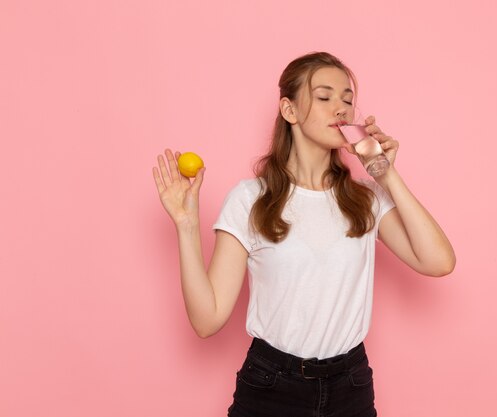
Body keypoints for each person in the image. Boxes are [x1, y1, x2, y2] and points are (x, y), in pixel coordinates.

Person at [152, 51, 455, 417]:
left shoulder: (365, 198)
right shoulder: (251, 199)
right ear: (289, 110)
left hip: (351, 386)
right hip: (271, 386)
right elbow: (207, 320)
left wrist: (385, 173)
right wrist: (186, 227)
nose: (341, 110)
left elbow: (439, 262)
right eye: (325, 97)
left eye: (347, 100)